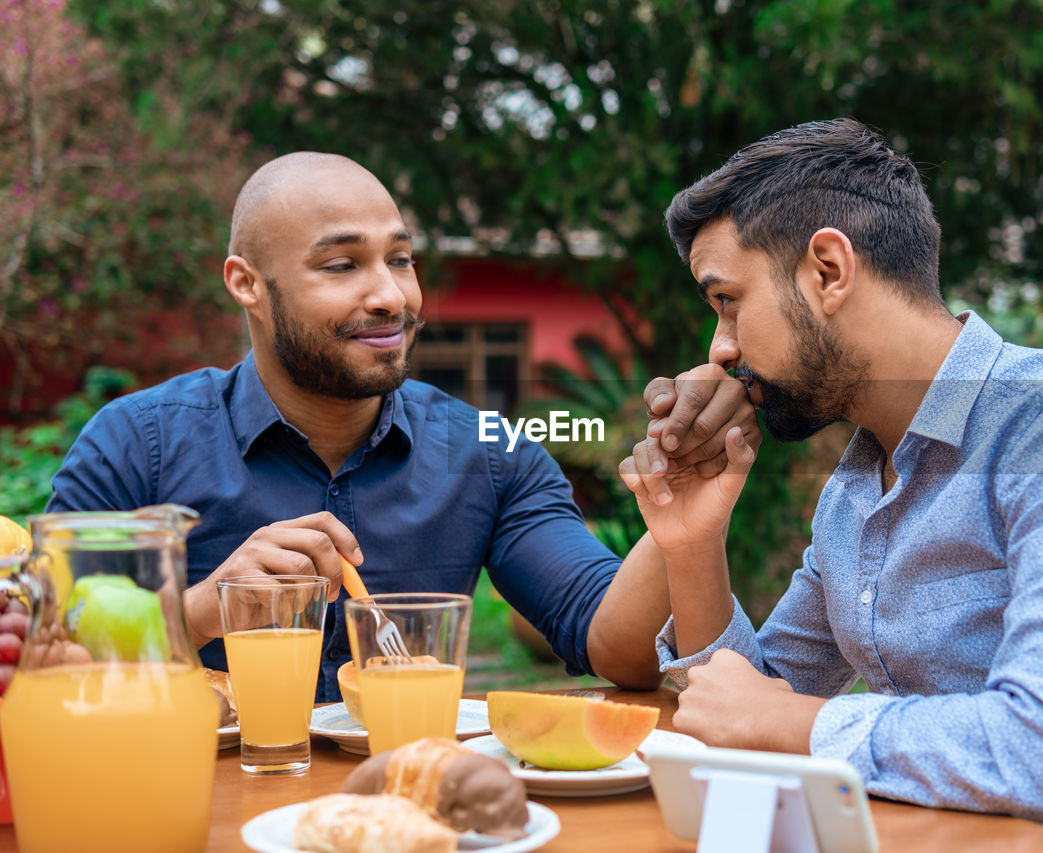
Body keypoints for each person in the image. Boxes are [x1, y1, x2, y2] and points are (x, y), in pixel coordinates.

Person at [619, 118, 1043, 851]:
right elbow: (744, 700)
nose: (720, 349)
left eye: (727, 300)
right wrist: (694, 541)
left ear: (828, 270)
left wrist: (790, 723)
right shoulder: (854, 489)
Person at [47, 151, 758, 699]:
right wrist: (206, 607)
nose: (391, 295)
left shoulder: (489, 454)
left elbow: (616, 647)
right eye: (341, 264)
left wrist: (683, 510)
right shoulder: (135, 445)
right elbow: (50, 655)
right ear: (246, 283)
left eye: (400, 259)